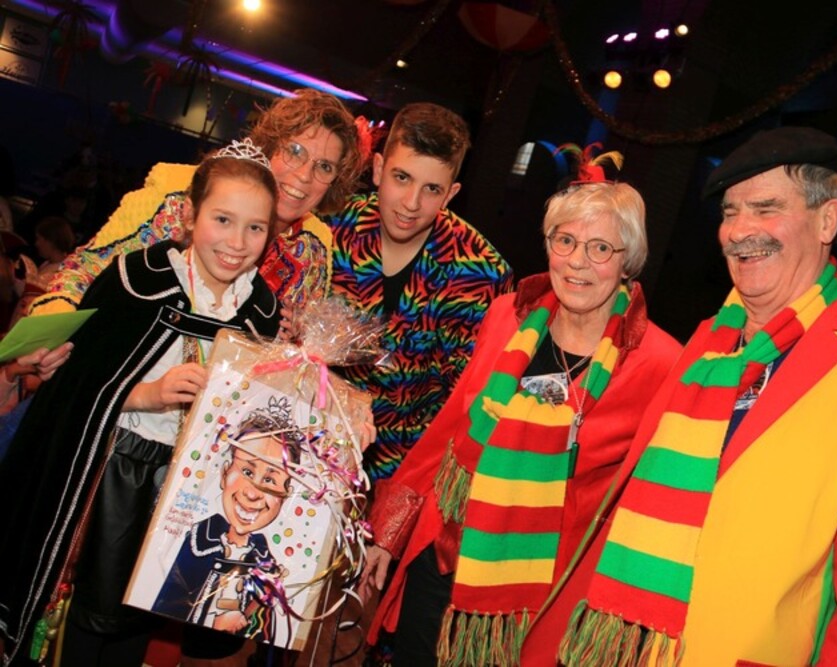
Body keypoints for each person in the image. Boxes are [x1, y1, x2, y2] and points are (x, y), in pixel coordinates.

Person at [517, 126, 837, 666]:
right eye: (730, 212)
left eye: (766, 208)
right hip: (611, 643)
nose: (740, 231)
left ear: (828, 220)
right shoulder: (708, 347)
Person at [361, 177, 682, 664]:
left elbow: (646, 504)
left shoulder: (659, 363)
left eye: (600, 248)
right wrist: (389, 532)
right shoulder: (506, 318)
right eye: (565, 240)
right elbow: (449, 430)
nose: (577, 261)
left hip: (534, 593)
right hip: (444, 557)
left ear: (628, 261)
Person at [0, 139, 282, 666]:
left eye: (255, 227)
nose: (236, 241)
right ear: (191, 215)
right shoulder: (136, 280)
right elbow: (73, 384)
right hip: (117, 470)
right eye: (222, 219)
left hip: (193, 490)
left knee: (145, 614)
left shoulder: (261, 312)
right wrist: (147, 394)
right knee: (93, 613)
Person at [28, 88, 366, 315]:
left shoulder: (310, 251)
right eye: (295, 151)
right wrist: (53, 322)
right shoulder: (182, 201)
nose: (305, 175)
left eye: (324, 166)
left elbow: (285, 351)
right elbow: (85, 270)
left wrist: (295, 343)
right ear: (269, 147)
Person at [325, 102, 513, 483]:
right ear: (378, 169)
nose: (411, 204)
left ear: (450, 193)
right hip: (308, 446)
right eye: (402, 177)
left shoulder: (480, 273)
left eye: (431, 189)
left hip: (410, 475)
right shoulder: (330, 229)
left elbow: (468, 402)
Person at [153, 409, 302, 635]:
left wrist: (249, 614)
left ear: (285, 496)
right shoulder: (196, 542)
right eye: (247, 471)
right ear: (224, 474)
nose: (252, 493)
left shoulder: (264, 558)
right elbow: (167, 604)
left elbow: (263, 626)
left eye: (270, 480)